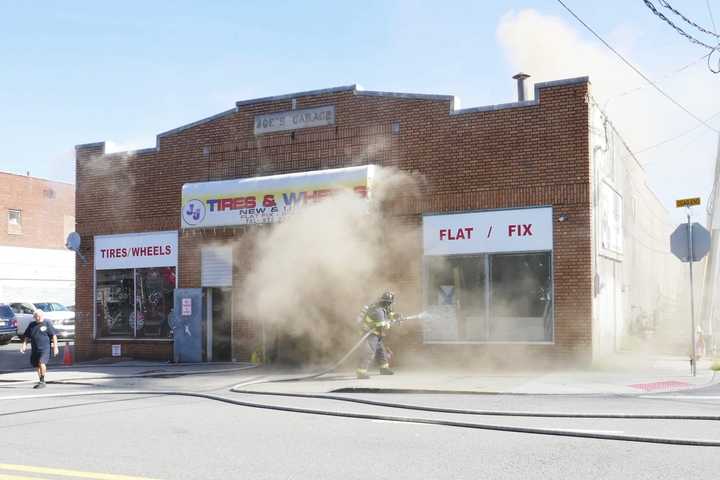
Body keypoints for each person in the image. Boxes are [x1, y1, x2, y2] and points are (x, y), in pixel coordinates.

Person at [356, 291, 402, 379]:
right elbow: (380, 326)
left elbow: (389, 314)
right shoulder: (378, 311)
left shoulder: (383, 307)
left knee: (381, 351)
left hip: (376, 334)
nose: (390, 305)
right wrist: (387, 325)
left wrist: (396, 316)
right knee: (368, 352)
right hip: (370, 334)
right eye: (390, 303)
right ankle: (361, 372)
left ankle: (384, 368)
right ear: (387, 302)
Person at [20, 309, 59, 389]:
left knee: (41, 362)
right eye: (37, 316)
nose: (38, 318)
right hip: (35, 348)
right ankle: (41, 380)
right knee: (37, 365)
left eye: (40, 316)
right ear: (34, 317)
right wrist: (24, 345)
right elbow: (27, 336)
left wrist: (55, 347)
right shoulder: (32, 325)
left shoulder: (47, 323)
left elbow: (54, 335)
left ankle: (42, 380)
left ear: (42, 316)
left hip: (45, 348)